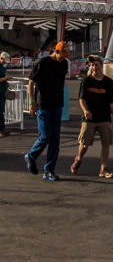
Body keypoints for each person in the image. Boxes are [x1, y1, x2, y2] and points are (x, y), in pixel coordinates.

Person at [21, 44, 70, 181]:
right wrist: (32, 103)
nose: (63, 59)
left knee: (55, 140)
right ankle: (31, 155)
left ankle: (49, 170)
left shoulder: (64, 63)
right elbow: (31, 82)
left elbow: (61, 82)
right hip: (43, 105)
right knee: (45, 136)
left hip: (57, 104)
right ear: (56, 51)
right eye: (62, 55)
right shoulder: (42, 63)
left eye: (65, 56)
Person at [70, 61, 113, 179]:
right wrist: (85, 111)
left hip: (104, 117)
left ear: (101, 66)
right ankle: (79, 158)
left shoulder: (108, 82)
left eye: (96, 64)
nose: (93, 67)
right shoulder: (86, 81)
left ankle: (103, 169)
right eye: (91, 65)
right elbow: (81, 99)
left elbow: (112, 102)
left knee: (106, 144)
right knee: (84, 144)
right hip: (89, 118)